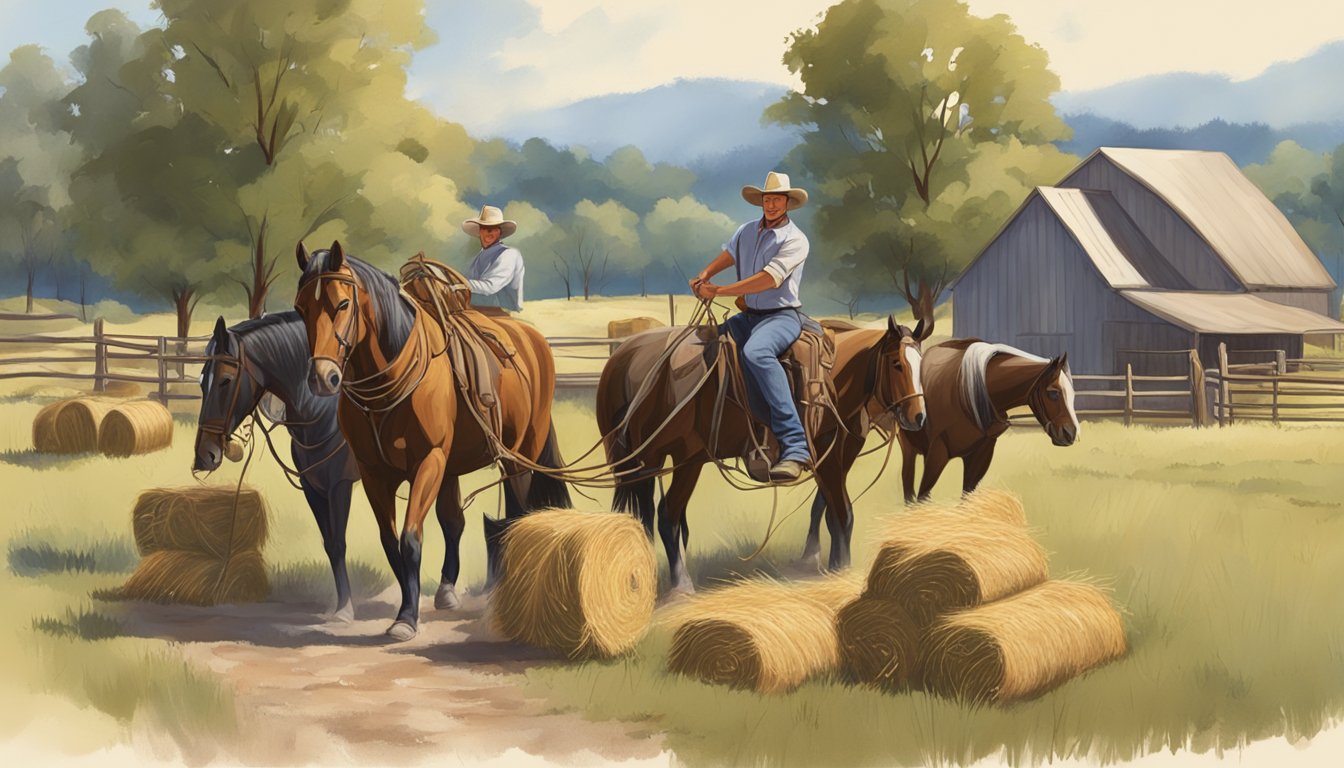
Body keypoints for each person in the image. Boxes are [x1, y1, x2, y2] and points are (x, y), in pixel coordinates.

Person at [690, 171, 811, 481]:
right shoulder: (746, 231)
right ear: (761, 202)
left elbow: (769, 279)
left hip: (781, 316)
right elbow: (729, 254)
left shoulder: (795, 240)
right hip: (749, 316)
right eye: (767, 199)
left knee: (756, 353)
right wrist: (705, 274)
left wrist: (718, 291)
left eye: (777, 199)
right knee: (705, 346)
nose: (771, 204)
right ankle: (735, 431)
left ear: (787, 203)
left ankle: (796, 446)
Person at [462, 205, 525, 315]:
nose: (489, 232)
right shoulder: (478, 258)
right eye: (484, 228)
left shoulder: (509, 254)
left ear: (500, 232)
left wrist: (458, 282)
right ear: (480, 232)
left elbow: (490, 286)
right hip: (478, 313)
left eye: (494, 228)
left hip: (504, 315)